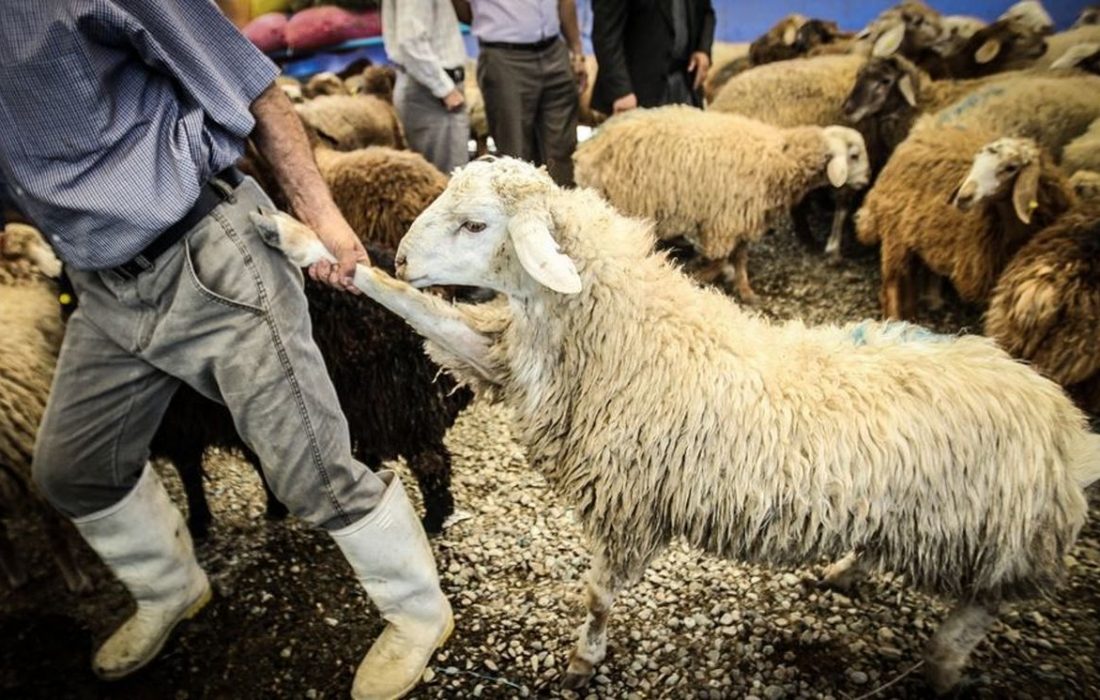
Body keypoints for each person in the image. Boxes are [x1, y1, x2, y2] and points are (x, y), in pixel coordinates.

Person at [0, 3, 449, 699]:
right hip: (100, 285)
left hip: (205, 254)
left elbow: (254, 85)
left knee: (313, 474)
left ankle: (419, 614)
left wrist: (324, 219)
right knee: (71, 469)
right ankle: (172, 588)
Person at [452, 0, 586, 186]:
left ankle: (562, 211)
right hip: (504, 55)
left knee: (563, 152)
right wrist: (490, 21)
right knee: (515, 155)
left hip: (555, 50)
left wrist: (577, 51)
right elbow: (461, 8)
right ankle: (523, 211)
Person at [381, 0, 470, 175]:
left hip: (430, 87)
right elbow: (411, 41)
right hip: (430, 93)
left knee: (449, 177)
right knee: (450, 181)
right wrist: (445, 90)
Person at [591, 0, 716, 115]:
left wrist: (703, 49)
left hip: (685, 86)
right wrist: (621, 92)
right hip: (636, 95)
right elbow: (605, 36)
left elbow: (706, 12)